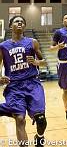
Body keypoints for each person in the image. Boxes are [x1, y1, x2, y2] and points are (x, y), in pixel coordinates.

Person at [0, 15, 47, 147]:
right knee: (20, 119)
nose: (20, 23)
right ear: (10, 26)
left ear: (24, 26)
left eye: (22, 22)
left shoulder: (32, 42)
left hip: (33, 83)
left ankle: (39, 136)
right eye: (16, 21)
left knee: (41, 119)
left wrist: (37, 62)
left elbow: (44, 61)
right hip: (14, 86)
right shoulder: (3, 46)